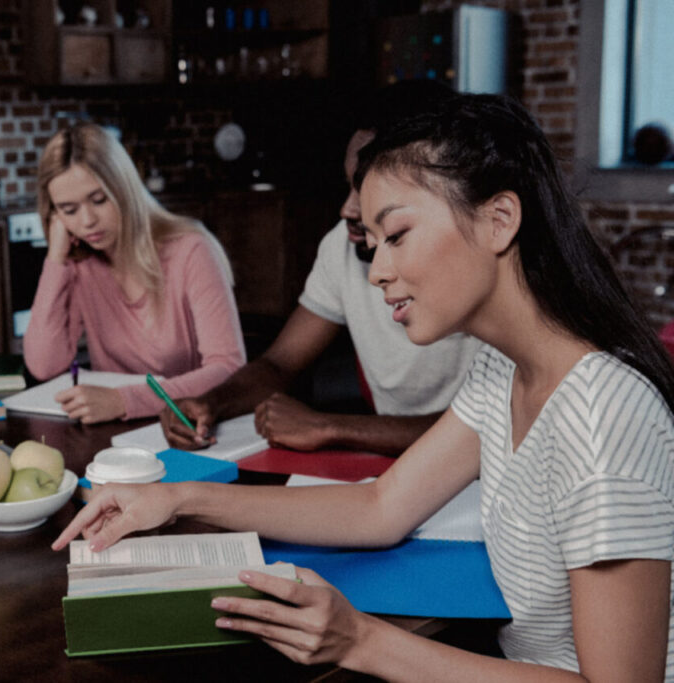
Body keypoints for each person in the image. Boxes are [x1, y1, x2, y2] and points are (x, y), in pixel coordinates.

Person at [54, 94, 674, 679]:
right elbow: (383, 507)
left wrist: (362, 640)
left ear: (499, 219)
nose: (377, 272)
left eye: (396, 235)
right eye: (373, 244)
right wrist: (181, 498)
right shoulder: (503, 367)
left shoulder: (601, 413)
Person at [162, 80, 481, 455]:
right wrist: (211, 402)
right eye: (348, 186)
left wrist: (329, 426)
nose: (347, 210)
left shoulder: (484, 268)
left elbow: (488, 427)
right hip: (403, 470)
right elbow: (280, 363)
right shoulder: (341, 246)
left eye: (369, 192)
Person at [22, 123, 245, 423]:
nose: (87, 221)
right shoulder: (79, 264)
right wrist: (55, 258)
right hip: (113, 431)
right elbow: (43, 366)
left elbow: (228, 368)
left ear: (124, 187)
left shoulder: (191, 249)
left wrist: (124, 401)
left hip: (185, 426)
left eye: (99, 200)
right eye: (69, 210)